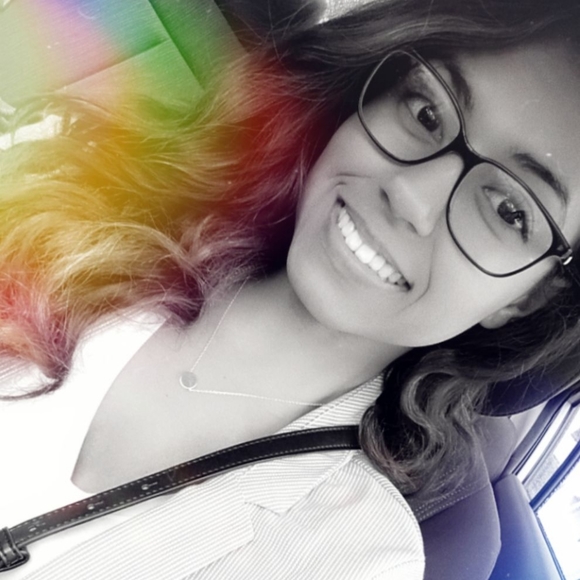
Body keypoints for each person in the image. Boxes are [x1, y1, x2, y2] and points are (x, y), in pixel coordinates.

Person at [2, 0, 580, 578]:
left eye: (509, 211)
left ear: (528, 297)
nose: (411, 197)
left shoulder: (357, 556)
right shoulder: (92, 189)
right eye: (427, 112)